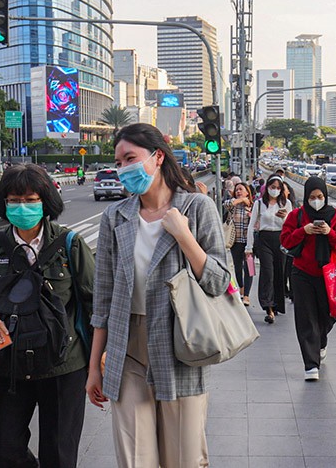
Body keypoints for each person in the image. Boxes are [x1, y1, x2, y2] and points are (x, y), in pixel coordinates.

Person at [86, 123, 230, 468]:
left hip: (180, 346)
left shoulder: (196, 208)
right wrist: (93, 368)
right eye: (118, 162)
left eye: (130, 158)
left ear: (158, 157)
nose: (123, 169)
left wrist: (184, 237)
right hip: (127, 348)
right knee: (136, 459)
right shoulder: (115, 217)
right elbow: (102, 300)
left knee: (182, 459)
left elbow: (220, 281)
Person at [0, 163, 95, 467]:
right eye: (14, 200)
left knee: (59, 456)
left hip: (65, 366)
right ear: (4, 204)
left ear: (45, 201)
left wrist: (99, 361)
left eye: (30, 199)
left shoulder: (69, 245)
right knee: (3, 451)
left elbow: (94, 302)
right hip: (9, 365)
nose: (22, 207)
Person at [280, 176, 336, 381]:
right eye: (312, 197)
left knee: (329, 314)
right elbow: (285, 242)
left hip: (329, 275)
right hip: (302, 273)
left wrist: (329, 233)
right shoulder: (297, 216)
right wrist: (304, 231)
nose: (316, 200)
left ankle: (321, 341)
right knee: (306, 318)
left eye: (319, 196)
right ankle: (311, 365)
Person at [246, 174, 292, 323]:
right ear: (267, 188)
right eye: (273, 187)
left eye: (278, 188)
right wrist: (249, 246)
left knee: (280, 272)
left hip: (280, 240)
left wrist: (284, 218)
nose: (275, 190)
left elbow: (291, 227)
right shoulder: (259, 204)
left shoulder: (287, 204)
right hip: (264, 240)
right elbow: (252, 225)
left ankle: (276, 304)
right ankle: (268, 306)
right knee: (267, 272)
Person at [224, 182, 254, 306]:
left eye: (241, 189)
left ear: (248, 192)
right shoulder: (233, 205)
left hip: (249, 243)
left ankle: (246, 295)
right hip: (235, 241)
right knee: (237, 267)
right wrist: (241, 200)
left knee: (250, 269)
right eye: (237, 190)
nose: (238, 191)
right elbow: (226, 204)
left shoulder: (253, 206)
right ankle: (241, 288)